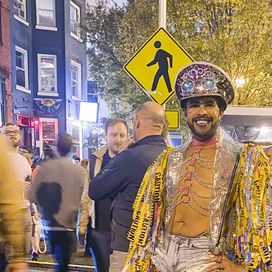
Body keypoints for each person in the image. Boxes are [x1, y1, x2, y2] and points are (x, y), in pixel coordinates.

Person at [125, 62, 272, 272]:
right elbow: (148, 218)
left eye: (209, 104)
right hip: (161, 254)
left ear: (221, 111)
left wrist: (240, 268)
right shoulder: (167, 160)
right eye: (194, 105)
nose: (201, 111)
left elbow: (271, 224)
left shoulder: (245, 159)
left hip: (203, 257)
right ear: (186, 112)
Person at [89, 102, 168, 272]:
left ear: (137, 121)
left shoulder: (130, 157)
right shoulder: (173, 157)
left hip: (129, 248)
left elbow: (95, 189)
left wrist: (120, 156)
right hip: (162, 250)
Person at [29, 134, 86, 272]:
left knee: (60, 263)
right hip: (69, 225)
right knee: (63, 264)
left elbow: (32, 195)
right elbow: (85, 199)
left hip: (50, 225)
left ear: (56, 148)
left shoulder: (45, 168)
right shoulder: (80, 172)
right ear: (72, 149)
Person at [79, 118, 130, 272]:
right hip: (100, 228)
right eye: (114, 135)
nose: (118, 139)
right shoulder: (96, 160)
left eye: (122, 135)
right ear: (105, 136)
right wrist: (82, 225)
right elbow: (87, 194)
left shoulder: (131, 158)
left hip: (124, 230)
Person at [1, 124, 32, 258]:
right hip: (6, 213)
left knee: (23, 254)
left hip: (24, 210)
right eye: (8, 132)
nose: (13, 134)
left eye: (16, 132)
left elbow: (28, 183)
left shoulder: (23, 160)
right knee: (7, 256)